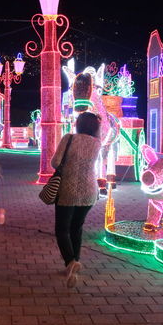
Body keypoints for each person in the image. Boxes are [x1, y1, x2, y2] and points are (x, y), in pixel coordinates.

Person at [50, 112, 102, 288]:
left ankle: (71, 262)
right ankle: (74, 264)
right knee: (76, 228)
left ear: (78, 123)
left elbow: (55, 162)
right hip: (89, 191)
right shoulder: (97, 143)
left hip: (68, 190)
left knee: (62, 229)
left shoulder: (69, 138)